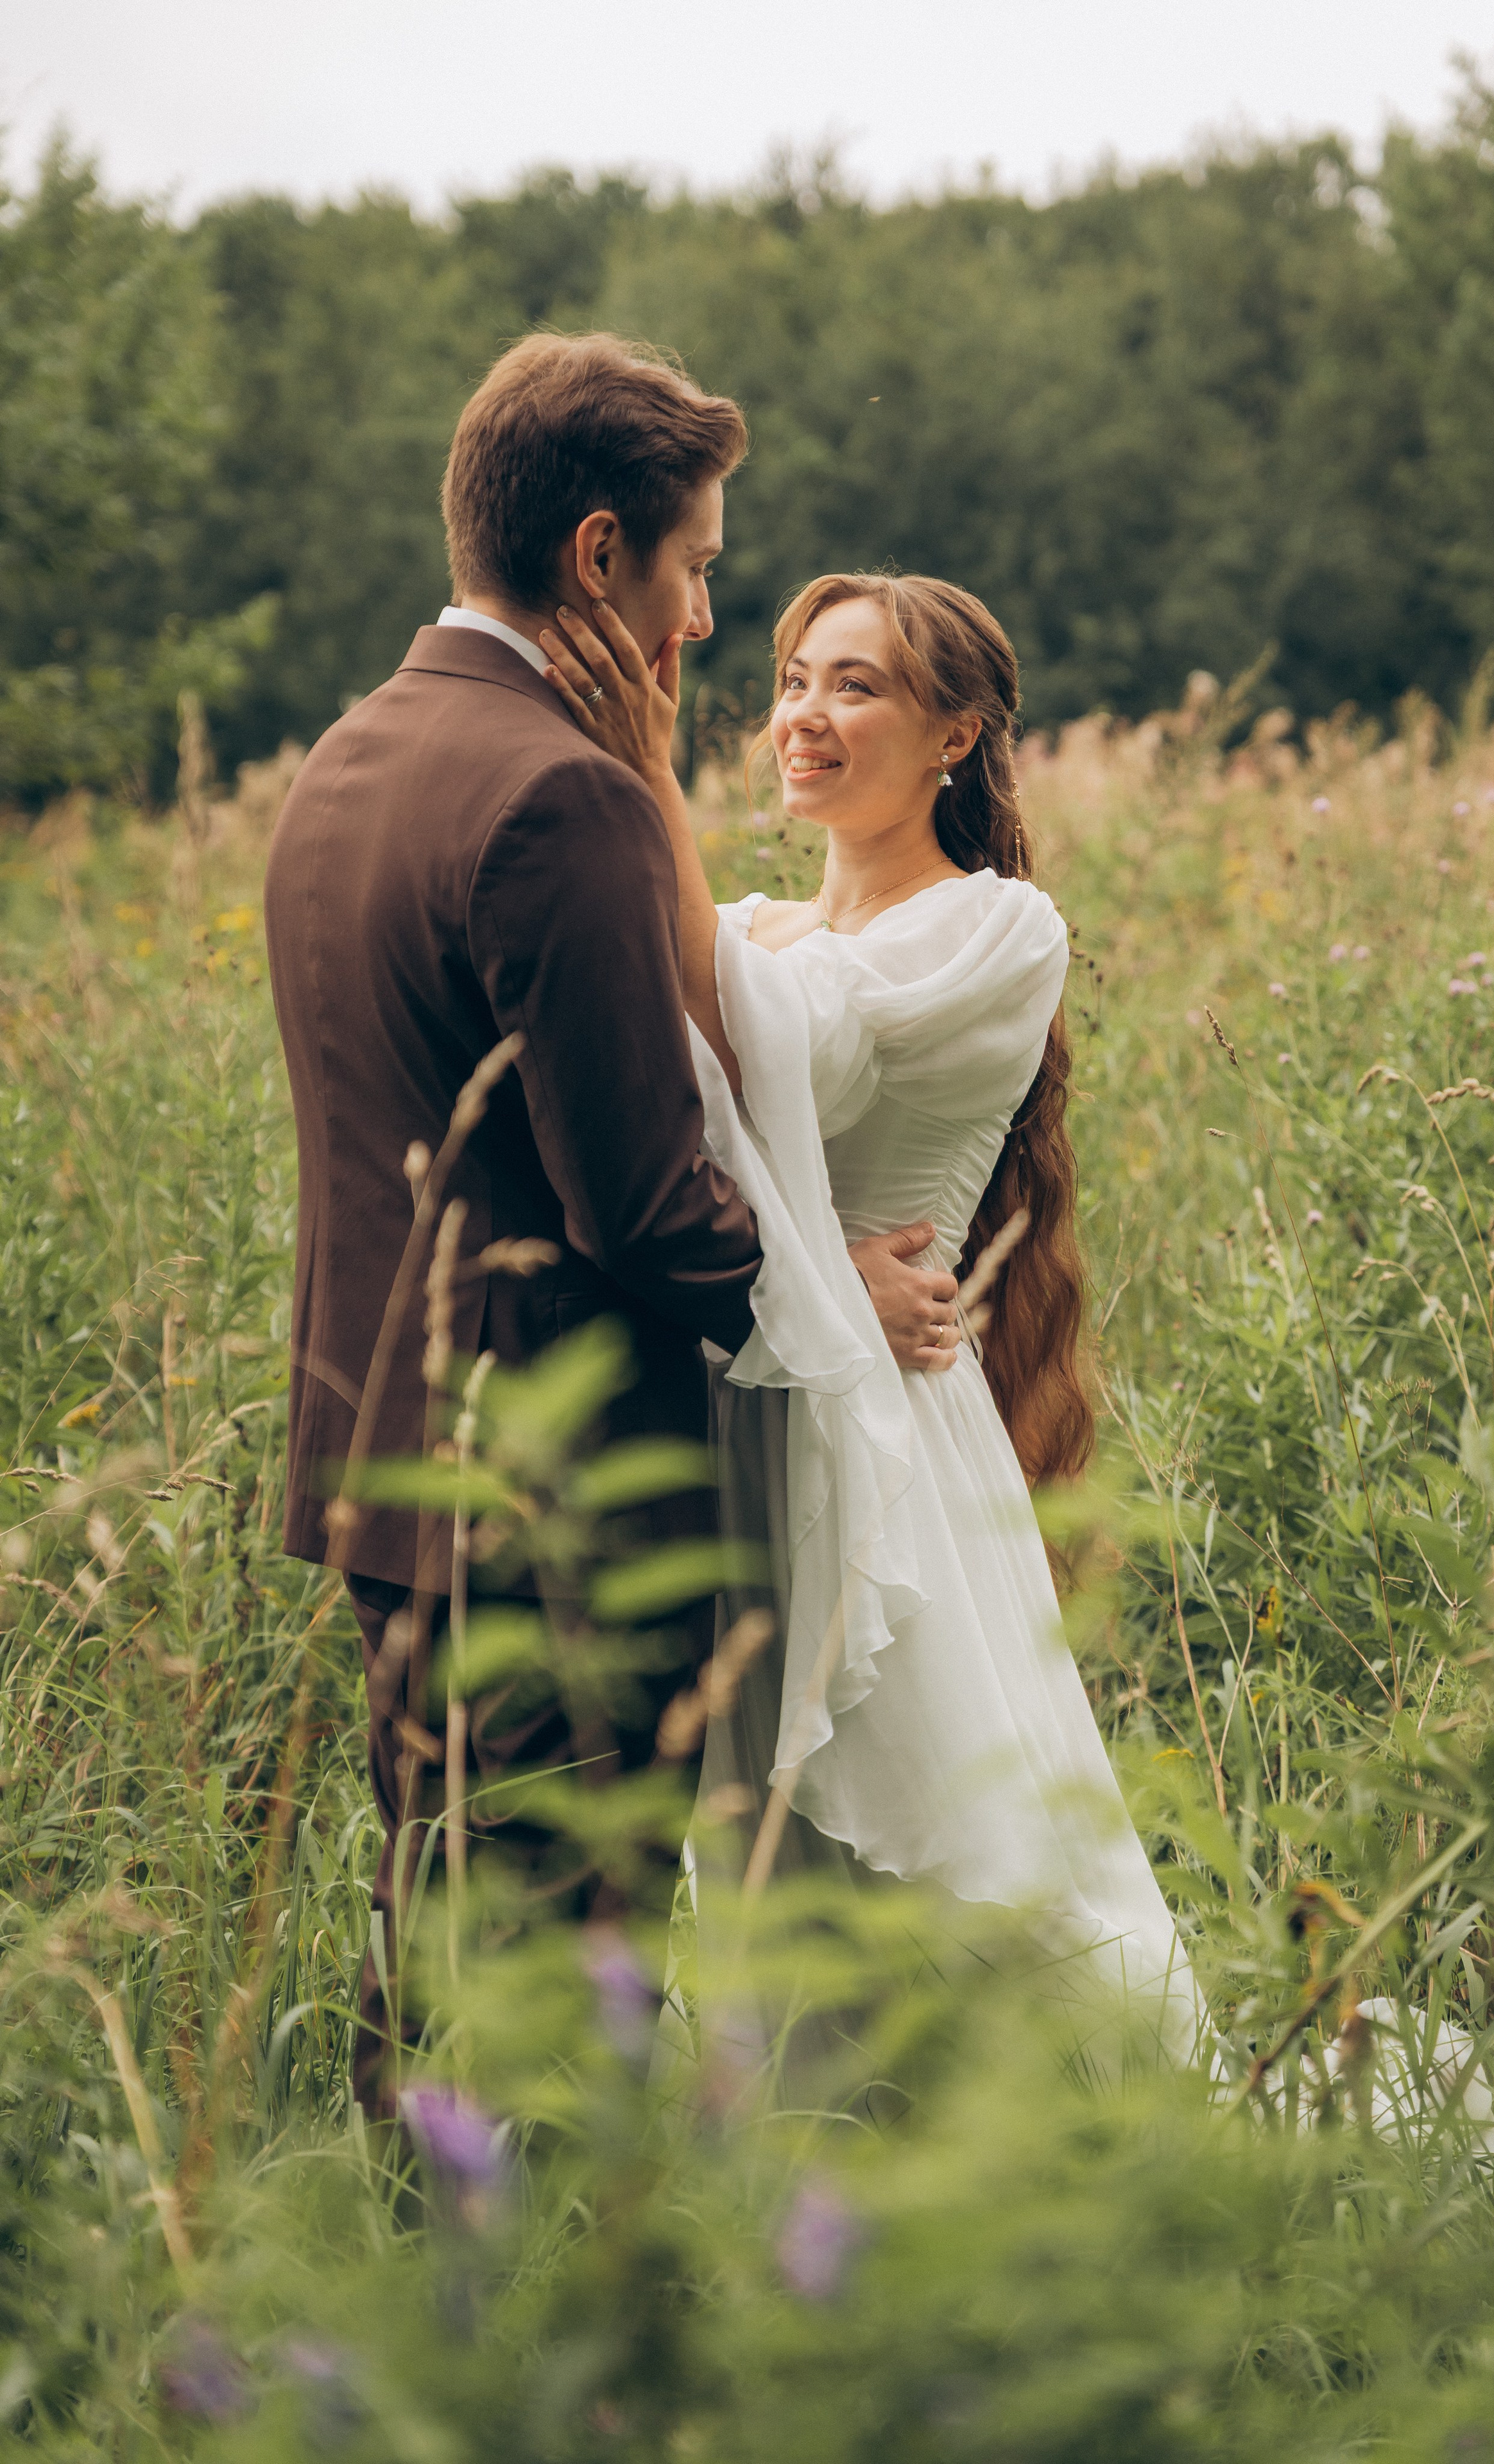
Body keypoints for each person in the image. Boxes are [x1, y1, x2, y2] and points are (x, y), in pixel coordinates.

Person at [262, 336, 959, 2114]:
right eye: (699, 565)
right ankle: (528, 2357)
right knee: (568, 1964)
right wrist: (833, 1290)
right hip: (563, 1497)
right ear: (598, 557)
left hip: (390, 1464)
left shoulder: (349, 759)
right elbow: (648, 1211)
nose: (705, 615)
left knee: (439, 1930)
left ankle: (411, 2336)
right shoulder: (559, 792)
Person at [538, 570, 1201, 2083]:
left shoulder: (994, 930)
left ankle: (1075, 2145)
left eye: (854, 687)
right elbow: (669, 1126)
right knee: (765, 1854)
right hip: (745, 1403)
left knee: (951, 1829)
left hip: (885, 1429)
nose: (802, 715)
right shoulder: (755, 926)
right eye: (788, 679)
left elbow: (785, 1052)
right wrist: (827, 1255)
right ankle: (818, 2184)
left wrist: (641, 770)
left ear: (955, 733)